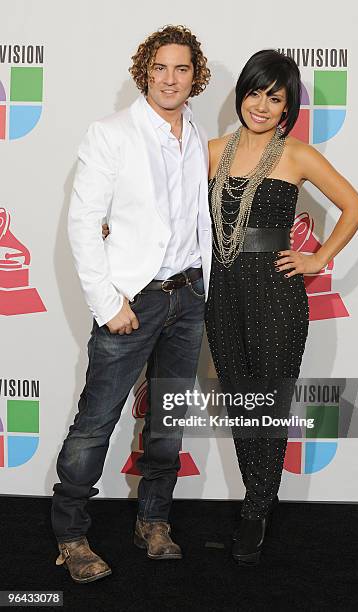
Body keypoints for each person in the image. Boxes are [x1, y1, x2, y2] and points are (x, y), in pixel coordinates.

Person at [51, 25, 211, 583]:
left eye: (182, 68)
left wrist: (203, 289)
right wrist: (106, 302)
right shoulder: (111, 133)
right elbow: (81, 223)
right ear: (145, 70)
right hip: (132, 300)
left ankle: (154, 520)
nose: (170, 78)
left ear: (196, 77)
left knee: (167, 421)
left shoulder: (196, 136)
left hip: (188, 298)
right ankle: (70, 534)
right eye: (161, 67)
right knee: (96, 422)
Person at [205, 49, 358, 565]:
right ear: (241, 95)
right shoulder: (209, 151)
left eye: (274, 98)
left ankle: (255, 511)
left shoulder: (297, 155)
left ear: (286, 108)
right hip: (222, 292)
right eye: (254, 92)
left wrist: (318, 258)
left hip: (276, 294)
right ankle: (260, 498)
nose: (261, 104)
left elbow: (355, 206)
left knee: (269, 402)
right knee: (240, 400)